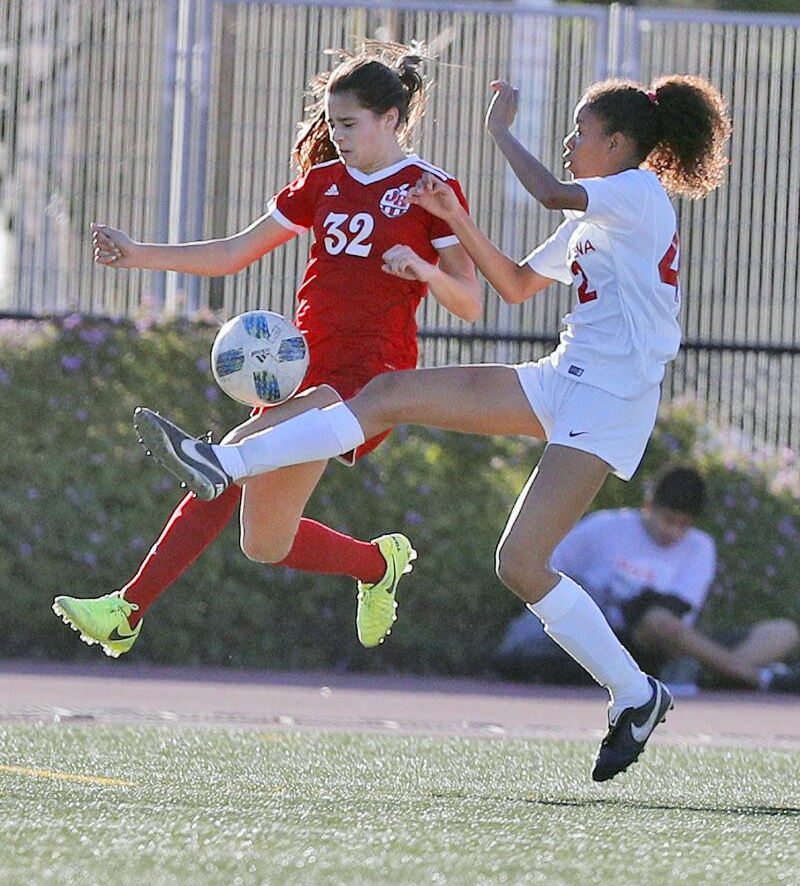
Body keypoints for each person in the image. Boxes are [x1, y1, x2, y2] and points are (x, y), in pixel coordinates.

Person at [132, 72, 732, 782]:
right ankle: (226, 465)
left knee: (520, 564)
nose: (570, 143)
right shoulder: (590, 222)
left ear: (621, 145)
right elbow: (509, 286)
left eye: (580, 133)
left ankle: (635, 694)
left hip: (612, 401)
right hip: (562, 379)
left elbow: (547, 191)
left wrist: (502, 130)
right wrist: (454, 215)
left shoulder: (634, 193)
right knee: (385, 394)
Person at [52, 41, 482, 658]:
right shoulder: (322, 184)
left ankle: (126, 608)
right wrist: (138, 253)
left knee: (226, 457)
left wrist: (423, 269)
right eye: (331, 124)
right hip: (306, 370)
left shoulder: (428, 190)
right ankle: (375, 565)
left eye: (349, 124)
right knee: (265, 543)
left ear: (391, 119)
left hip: (369, 380)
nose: (336, 136)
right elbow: (232, 253)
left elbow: (469, 301)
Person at [495, 465, 800, 692]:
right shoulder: (602, 529)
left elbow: (673, 615)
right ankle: (751, 676)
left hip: (670, 644)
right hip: (612, 638)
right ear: (649, 506)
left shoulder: (700, 546)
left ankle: (710, 672)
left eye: (684, 525)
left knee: (784, 632)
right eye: (668, 520)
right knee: (657, 622)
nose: (673, 533)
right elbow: (543, 570)